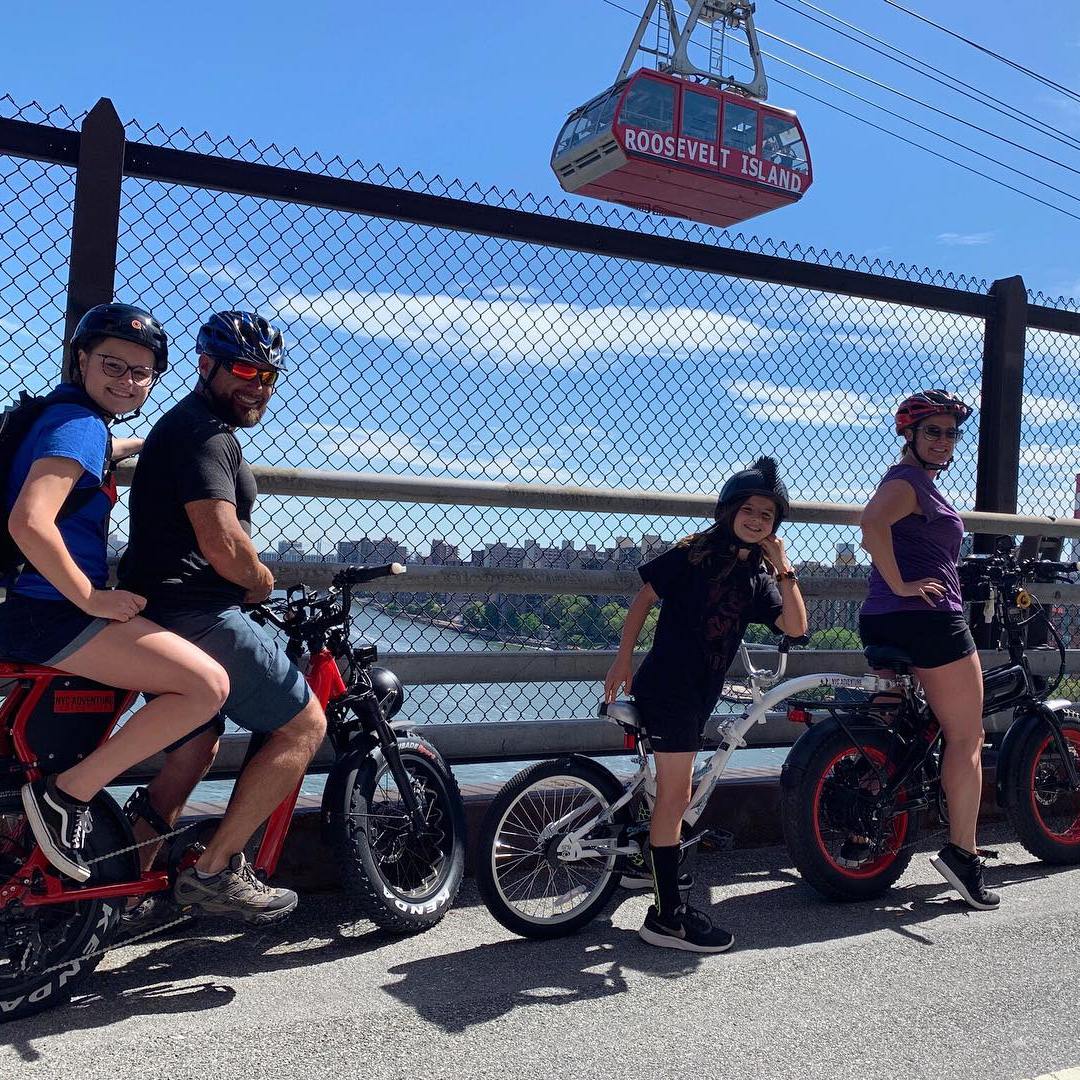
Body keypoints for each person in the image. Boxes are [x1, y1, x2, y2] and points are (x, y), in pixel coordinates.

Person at [6, 303, 230, 883]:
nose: (127, 381)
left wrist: (137, 445)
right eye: (113, 365)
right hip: (49, 612)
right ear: (81, 359)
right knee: (206, 686)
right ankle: (66, 795)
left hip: (27, 606)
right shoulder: (80, 427)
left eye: (141, 373)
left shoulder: (68, 419)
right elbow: (29, 521)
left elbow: (91, 450)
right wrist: (90, 597)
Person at [117, 311, 327, 925]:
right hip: (197, 615)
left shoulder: (184, 426)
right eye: (243, 369)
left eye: (268, 375)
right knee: (302, 726)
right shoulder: (208, 435)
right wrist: (261, 582)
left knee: (195, 749)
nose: (258, 385)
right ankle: (214, 872)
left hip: (156, 615)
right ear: (205, 365)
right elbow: (225, 545)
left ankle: (122, 888)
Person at [604, 457, 807, 952]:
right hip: (668, 686)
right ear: (729, 510)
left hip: (700, 692)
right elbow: (644, 598)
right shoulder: (692, 553)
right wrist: (623, 659)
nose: (756, 520)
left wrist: (783, 566)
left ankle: (645, 863)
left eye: (767, 515)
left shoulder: (759, 576)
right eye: (749, 510)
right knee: (676, 796)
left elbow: (797, 627)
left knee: (670, 792)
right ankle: (667, 919)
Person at [858, 389, 998, 910]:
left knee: (893, 728)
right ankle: (963, 854)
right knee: (967, 735)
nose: (943, 441)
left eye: (950, 433)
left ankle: (861, 823)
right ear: (909, 435)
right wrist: (904, 584)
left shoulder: (911, 483)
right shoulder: (908, 483)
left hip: (882, 618)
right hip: (929, 620)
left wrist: (896, 587)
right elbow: (871, 525)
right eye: (933, 432)